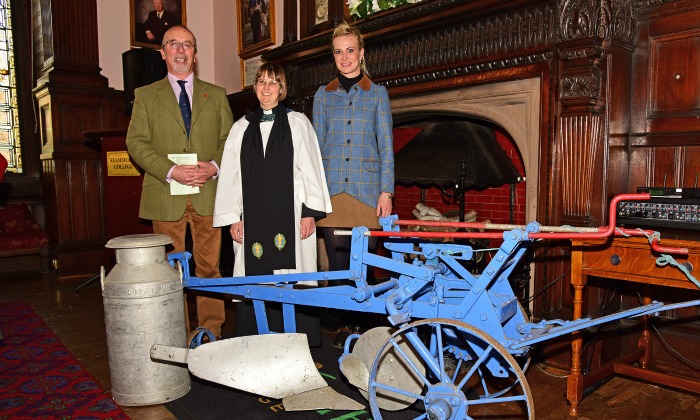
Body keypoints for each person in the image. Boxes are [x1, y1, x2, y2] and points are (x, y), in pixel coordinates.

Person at [126, 25, 234, 342]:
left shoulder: (215, 95)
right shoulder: (145, 96)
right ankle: (174, 331)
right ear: (163, 53)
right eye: (173, 44)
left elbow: (230, 141)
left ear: (195, 54)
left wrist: (213, 166)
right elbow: (137, 143)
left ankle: (209, 331)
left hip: (207, 193)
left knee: (210, 269)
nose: (181, 50)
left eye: (187, 44)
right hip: (165, 194)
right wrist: (171, 171)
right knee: (170, 272)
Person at [214, 62, 331, 346]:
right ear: (255, 88)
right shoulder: (240, 129)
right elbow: (230, 176)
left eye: (273, 82)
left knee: (293, 274)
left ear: (281, 89)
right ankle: (255, 338)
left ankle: (297, 338)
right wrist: (233, 217)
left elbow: (311, 170)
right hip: (250, 220)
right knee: (254, 276)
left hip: (291, 218)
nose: (266, 87)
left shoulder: (297, 122)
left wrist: (308, 214)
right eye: (261, 82)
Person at [313, 21, 395, 346]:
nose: (344, 57)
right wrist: (312, 197)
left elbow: (386, 145)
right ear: (333, 56)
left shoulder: (377, 94)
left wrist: (386, 190)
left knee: (363, 265)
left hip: (366, 193)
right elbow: (317, 148)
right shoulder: (323, 96)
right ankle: (343, 328)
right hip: (332, 193)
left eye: (350, 50)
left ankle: (364, 330)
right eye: (338, 52)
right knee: (337, 265)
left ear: (361, 53)